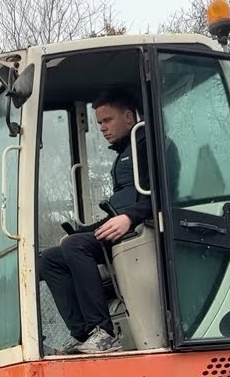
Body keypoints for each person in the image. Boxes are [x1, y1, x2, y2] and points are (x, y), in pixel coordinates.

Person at [39, 89, 153, 355]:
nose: (102, 128)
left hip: (143, 230)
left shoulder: (149, 146)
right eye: (99, 122)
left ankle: (103, 332)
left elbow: (165, 195)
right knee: (50, 259)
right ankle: (83, 334)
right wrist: (82, 230)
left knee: (76, 246)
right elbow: (120, 209)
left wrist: (130, 217)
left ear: (128, 117)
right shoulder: (126, 152)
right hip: (126, 227)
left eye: (107, 120)